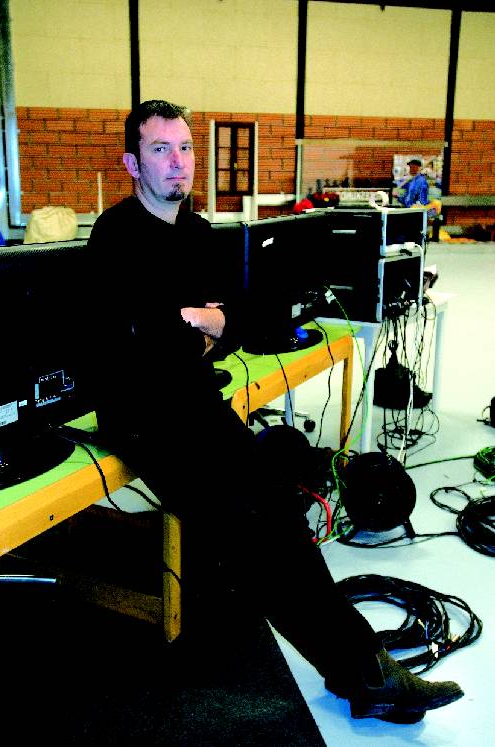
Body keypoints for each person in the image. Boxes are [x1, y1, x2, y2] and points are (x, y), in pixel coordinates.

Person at [87, 99, 463, 724]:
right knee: (251, 531)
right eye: (160, 150)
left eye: (185, 148)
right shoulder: (115, 238)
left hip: (195, 402)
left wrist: (208, 323)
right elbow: (141, 346)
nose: (178, 162)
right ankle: (365, 672)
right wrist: (201, 325)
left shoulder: (198, 234)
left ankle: (363, 670)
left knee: (280, 513)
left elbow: (252, 323)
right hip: (144, 416)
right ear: (133, 163)